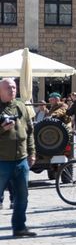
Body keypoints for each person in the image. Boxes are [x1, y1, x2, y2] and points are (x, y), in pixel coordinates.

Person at [0, 78, 37, 237]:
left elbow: (29, 131)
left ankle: (19, 227)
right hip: (2, 161)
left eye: (14, 87)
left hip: (21, 159)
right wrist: (1, 129)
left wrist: (32, 151)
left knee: (22, 196)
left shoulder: (21, 105)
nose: (12, 90)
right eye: (8, 88)